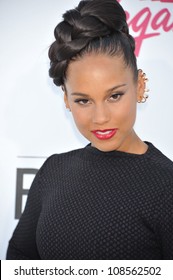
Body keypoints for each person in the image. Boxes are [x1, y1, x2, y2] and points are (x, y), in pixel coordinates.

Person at [7, 0, 173, 260]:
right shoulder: (54, 171)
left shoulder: (167, 186)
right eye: (83, 100)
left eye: (114, 96)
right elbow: (19, 262)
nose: (101, 117)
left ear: (139, 85)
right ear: (66, 99)